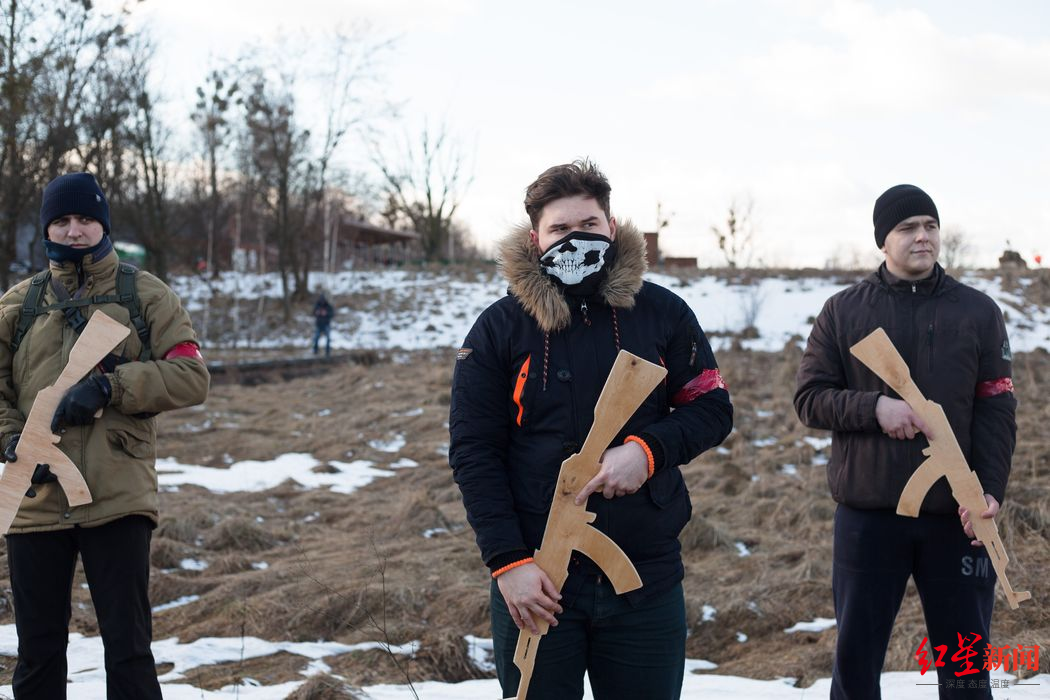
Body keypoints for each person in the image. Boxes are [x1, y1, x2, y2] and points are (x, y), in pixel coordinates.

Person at [449, 160, 733, 700]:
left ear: (612, 226)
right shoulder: (498, 328)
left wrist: (647, 452)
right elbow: (473, 451)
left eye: (589, 227)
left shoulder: (663, 314)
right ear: (536, 239)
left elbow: (712, 408)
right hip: (536, 581)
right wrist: (507, 564)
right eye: (560, 230)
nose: (575, 240)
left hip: (644, 578)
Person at [794, 184, 1017, 699]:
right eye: (907, 228)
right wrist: (875, 408)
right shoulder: (843, 311)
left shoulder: (979, 312)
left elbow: (997, 408)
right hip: (867, 517)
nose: (923, 237)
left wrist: (989, 491)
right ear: (882, 241)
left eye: (930, 226)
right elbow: (809, 398)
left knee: (964, 669)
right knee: (856, 668)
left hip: (956, 516)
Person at [0, 172, 210, 699]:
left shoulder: (144, 295)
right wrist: (12, 440)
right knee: (38, 653)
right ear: (49, 227)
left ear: (103, 225)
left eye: (86, 219)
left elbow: (191, 375)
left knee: (128, 649)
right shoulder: (18, 305)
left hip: (116, 495)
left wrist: (112, 386)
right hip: (34, 493)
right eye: (63, 220)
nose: (75, 231)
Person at [312, 291, 333, 357]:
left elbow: (332, 313)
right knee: (316, 338)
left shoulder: (328, 305)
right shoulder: (317, 305)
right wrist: (316, 313)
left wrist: (326, 313)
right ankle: (315, 351)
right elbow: (313, 312)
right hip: (319, 324)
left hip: (326, 324)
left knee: (328, 338)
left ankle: (327, 351)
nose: (322, 301)